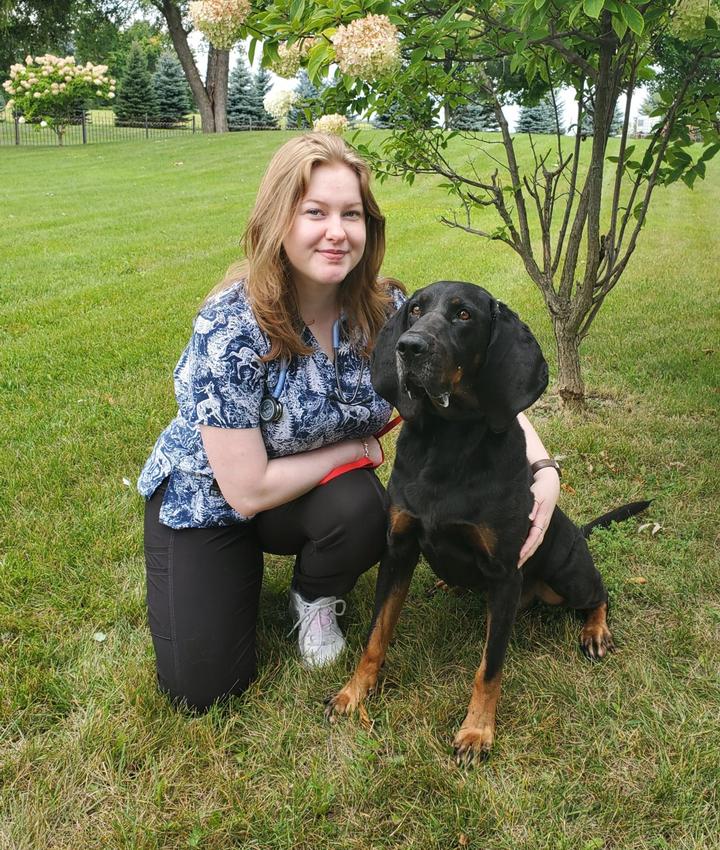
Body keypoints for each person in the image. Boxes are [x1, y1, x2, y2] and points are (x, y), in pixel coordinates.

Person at [137, 132, 560, 712]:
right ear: (277, 220)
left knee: (365, 510)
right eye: (315, 211)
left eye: (351, 214)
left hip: (309, 498)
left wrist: (542, 466)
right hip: (211, 499)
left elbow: (481, 386)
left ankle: (313, 595)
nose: (337, 231)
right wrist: (351, 453)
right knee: (202, 689)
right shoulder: (230, 325)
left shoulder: (389, 312)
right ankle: (217, 573)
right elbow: (246, 488)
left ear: (370, 228)